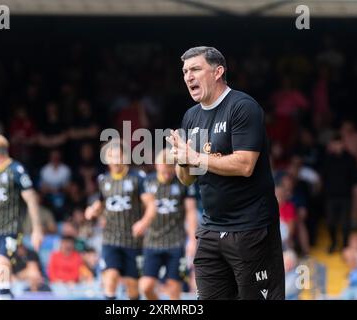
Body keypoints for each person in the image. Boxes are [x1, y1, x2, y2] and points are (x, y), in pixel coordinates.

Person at [167, 46, 285, 300]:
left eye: (196, 69)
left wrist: (196, 157)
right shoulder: (191, 117)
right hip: (210, 229)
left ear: (218, 71)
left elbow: (245, 165)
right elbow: (186, 179)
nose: (188, 76)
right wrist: (182, 160)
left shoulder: (243, 107)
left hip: (250, 229)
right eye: (185, 71)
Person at [0, 134, 43, 299]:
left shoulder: (16, 170)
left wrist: (37, 229)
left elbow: (31, 199)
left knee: (2, 263)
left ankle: (3, 296)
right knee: (1, 266)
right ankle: (7, 294)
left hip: (12, 228)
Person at [85, 139, 156, 300]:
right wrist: (92, 210)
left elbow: (151, 205)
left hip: (133, 241)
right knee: (110, 277)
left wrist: (143, 222)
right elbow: (101, 203)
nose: (115, 160)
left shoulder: (138, 177)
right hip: (111, 239)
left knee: (132, 288)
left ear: (125, 157)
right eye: (111, 156)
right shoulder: (103, 179)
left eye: (118, 156)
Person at [139, 149, 198, 300]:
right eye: (164, 171)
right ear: (157, 165)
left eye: (170, 171)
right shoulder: (147, 182)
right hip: (152, 241)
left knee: (174, 289)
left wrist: (192, 239)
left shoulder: (183, 182)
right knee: (145, 287)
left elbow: (191, 211)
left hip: (176, 243)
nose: (167, 175)